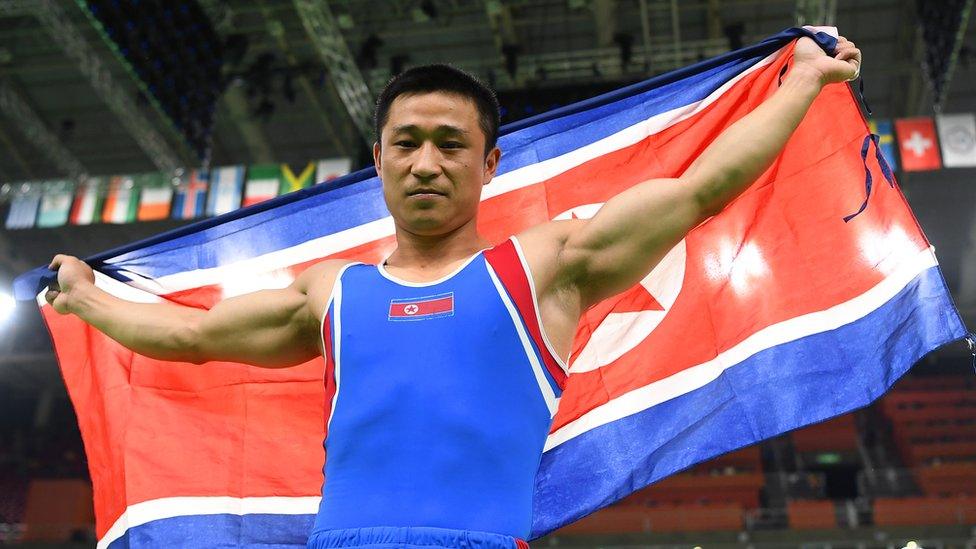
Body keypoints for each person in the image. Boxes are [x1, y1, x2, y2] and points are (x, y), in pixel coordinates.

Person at [45, 35, 861, 549]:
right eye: (406, 143)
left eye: (449, 143)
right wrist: (84, 298)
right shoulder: (330, 292)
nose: (426, 163)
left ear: (489, 163)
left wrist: (804, 84)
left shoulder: (546, 267)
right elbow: (188, 338)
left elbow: (699, 189)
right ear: (379, 158)